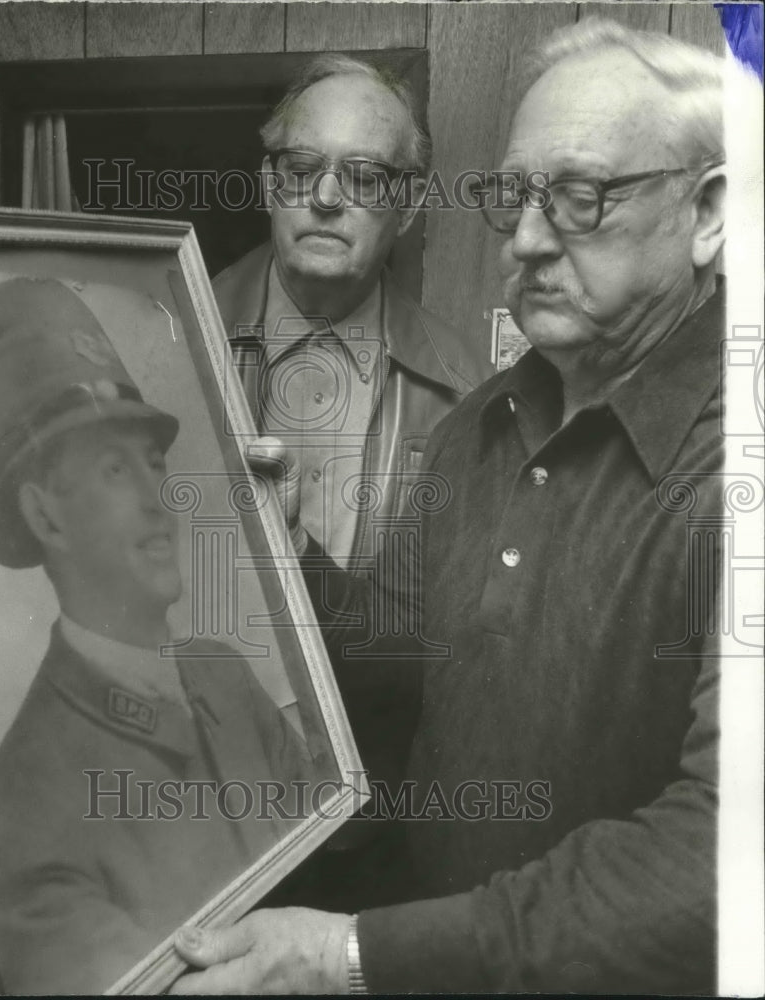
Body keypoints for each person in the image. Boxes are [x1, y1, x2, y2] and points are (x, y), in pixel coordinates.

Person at [171, 18, 728, 994]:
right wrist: (287, 544)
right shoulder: (481, 422)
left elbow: (720, 857)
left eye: (582, 198)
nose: (523, 240)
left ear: (711, 211)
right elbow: (399, 657)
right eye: (513, 195)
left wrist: (353, 952)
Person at [0, 277, 312, 994]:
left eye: (153, 464)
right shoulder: (15, 820)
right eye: (116, 470)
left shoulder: (224, 678)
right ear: (46, 517)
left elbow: (329, 864)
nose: (159, 500)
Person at [213, 54, 490, 577]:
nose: (324, 197)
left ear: (407, 207)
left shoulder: (466, 388)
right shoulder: (176, 333)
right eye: (301, 169)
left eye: (363, 178)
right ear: (270, 184)